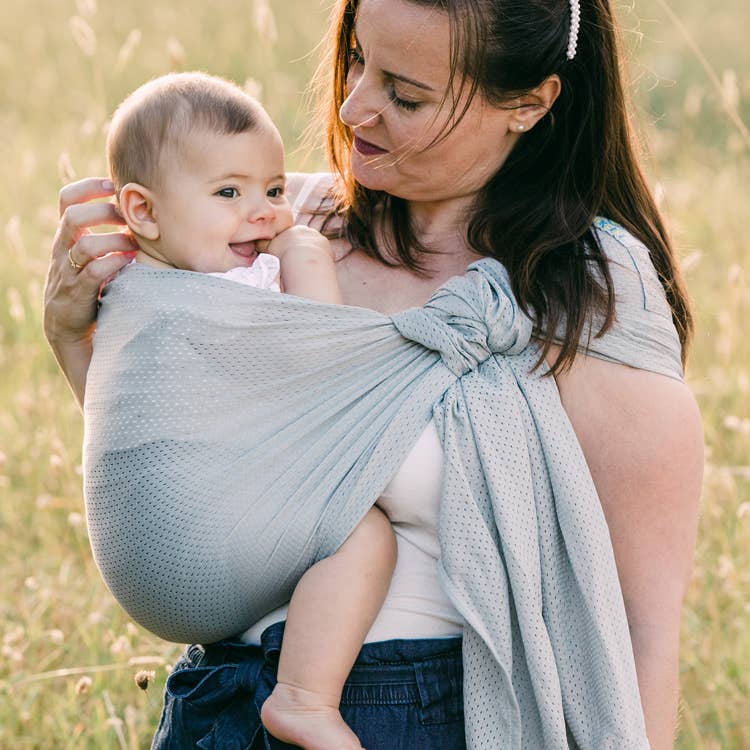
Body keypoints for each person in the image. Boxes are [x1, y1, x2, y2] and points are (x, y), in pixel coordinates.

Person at [44, 0, 704, 748]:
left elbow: (641, 628)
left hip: (411, 716)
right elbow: (186, 470)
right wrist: (74, 338)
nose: (352, 107)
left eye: (405, 95)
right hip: (215, 707)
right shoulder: (274, 226)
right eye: (358, 59)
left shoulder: (587, 293)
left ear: (527, 104)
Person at [91, 71, 399, 750]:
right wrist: (307, 254)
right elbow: (326, 357)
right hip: (207, 544)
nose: (262, 213)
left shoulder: (125, 285)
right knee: (367, 534)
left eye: (275, 190)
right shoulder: (242, 285)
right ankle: (304, 697)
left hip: (150, 569)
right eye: (229, 192)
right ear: (143, 212)